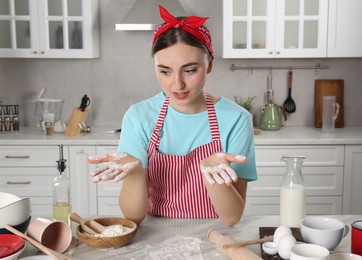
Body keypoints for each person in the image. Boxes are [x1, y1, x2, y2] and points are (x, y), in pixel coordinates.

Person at [88, 5, 257, 227]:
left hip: (215, 235)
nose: (177, 84)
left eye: (189, 70)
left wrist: (211, 175)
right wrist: (137, 172)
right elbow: (133, 217)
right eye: (165, 71)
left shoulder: (236, 119)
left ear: (209, 65)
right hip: (153, 234)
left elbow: (232, 217)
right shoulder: (139, 116)